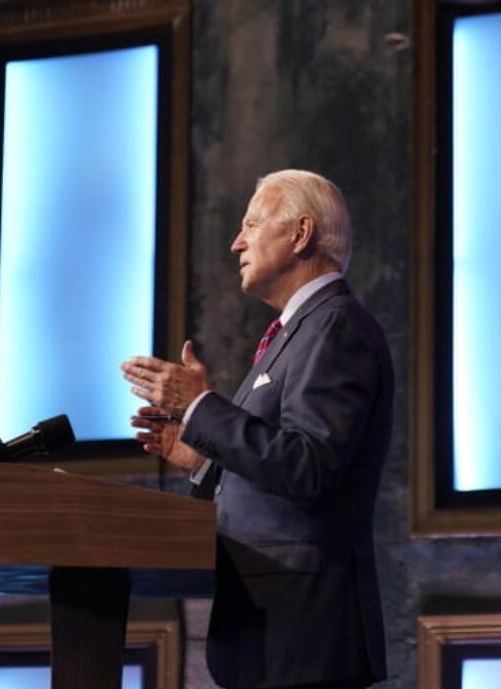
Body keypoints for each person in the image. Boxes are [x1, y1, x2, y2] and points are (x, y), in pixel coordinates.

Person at [121, 169, 393, 689]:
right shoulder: (299, 331)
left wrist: (201, 407)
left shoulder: (334, 326)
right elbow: (281, 468)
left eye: (251, 224)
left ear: (301, 233)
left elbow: (310, 466)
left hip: (302, 635)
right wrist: (204, 459)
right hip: (272, 635)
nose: (236, 241)